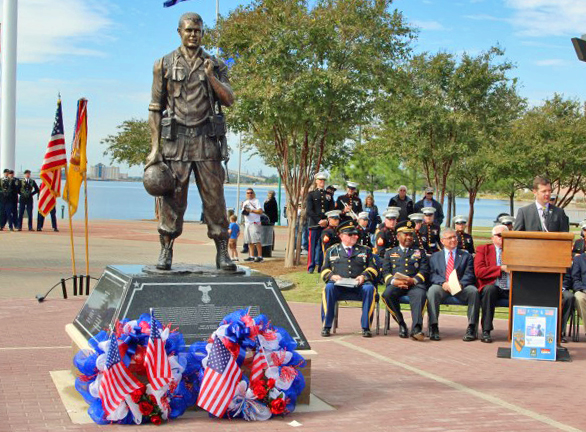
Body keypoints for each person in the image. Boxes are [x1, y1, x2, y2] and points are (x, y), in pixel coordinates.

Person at [145, 12, 236, 271]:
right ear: (179, 32)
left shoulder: (215, 64)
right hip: (176, 143)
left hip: (207, 142)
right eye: (188, 30)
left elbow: (229, 99)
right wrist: (155, 149)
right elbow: (154, 108)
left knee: (214, 199)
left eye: (197, 30)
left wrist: (211, 78)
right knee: (173, 200)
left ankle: (222, 252)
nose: (193, 34)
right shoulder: (162, 64)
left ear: (202, 33)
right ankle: (166, 250)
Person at [320, 220, 379, 338]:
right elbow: (324, 270)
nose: (355, 236)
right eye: (351, 234)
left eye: (356, 234)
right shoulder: (331, 250)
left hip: (359, 287)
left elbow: (373, 269)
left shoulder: (365, 250)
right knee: (328, 288)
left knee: (369, 289)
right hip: (339, 287)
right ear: (341, 236)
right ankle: (326, 326)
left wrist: (363, 276)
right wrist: (332, 276)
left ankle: (366, 327)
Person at [427, 228, 480, 342]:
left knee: (473, 292)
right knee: (432, 291)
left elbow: (470, 274)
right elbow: (432, 274)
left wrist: (460, 284)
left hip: (461, 287)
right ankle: (433, 327)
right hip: (443, 286)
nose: (453, 239)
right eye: (450, 237)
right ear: (442, 241)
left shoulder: (466, 256)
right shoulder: (435, 257)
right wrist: (443, 283)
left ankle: (471, 328)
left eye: (454, 237)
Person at [381, 220, 429, 340]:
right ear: (398, 236)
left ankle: (416, 328)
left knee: (420, 295)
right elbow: (385, 272)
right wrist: (394, 281)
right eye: (405, 234)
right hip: (397, 284)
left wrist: (414, 280)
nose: (409, 237)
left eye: (410, 234)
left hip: (414, 284)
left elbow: (424, 271)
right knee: (387, 294)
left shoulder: (420, 252)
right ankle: (401, 324)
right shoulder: (390, 253)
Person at [474, 225, 512, 343]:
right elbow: (479, 272)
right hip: (494, 286)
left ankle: (519, 331)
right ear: (492, 238)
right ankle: (486, 331)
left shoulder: (514, 250)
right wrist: (500, 268)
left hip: (511, 286)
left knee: (524, 292)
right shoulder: (483, 250)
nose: (502, 238)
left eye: (505, 236)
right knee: (489, 290)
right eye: (499, 235)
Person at [242, 188, 264, 263]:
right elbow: (244, 212)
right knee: (249, 241)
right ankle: (251, 256)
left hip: (254, 223)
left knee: (257, 240)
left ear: (253, 193)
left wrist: (251, 210)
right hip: (247, 223)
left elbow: (260, 211)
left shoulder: (256, 201)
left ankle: (260, 256)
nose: (249, 194)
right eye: (248, 193)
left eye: (251, 193)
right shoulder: (245, 202)